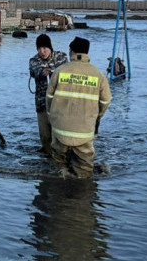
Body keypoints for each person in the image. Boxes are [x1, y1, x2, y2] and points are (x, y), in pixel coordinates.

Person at [46, 36, 112, 178]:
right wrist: (97, 117)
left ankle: (59, 185)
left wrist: (51, 116)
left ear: (71, 51)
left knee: (58, 163)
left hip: (60, 129)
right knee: (84, 169)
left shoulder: (60, 71)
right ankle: (83, 191)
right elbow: (106, 101)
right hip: (84, 131)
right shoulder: (98, 75)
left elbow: (49, 98)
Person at [29, 34, 67, 156]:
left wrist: (53, 72)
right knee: (45, 134)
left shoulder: (61, 57)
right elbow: (35, 71)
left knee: (59, 134)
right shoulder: (34, 60)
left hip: (59, 104)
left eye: (45, 48)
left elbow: (67, 71)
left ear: (50, 47)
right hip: (42, 103)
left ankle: (59, 155)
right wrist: (42, 72)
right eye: (39, 48)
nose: (42, 51)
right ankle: (47, 153)